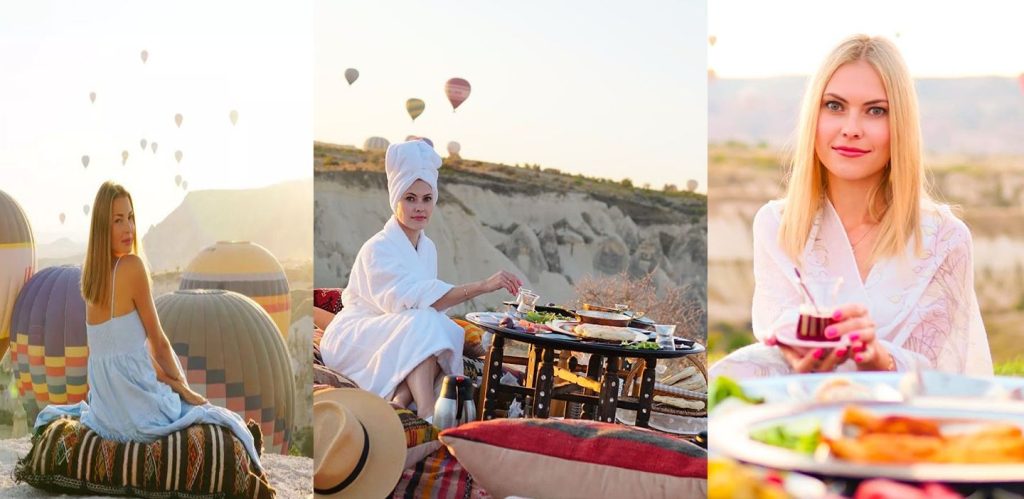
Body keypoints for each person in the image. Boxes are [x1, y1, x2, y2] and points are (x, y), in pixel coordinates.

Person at [711, 35, 991, 379]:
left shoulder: (945, 240)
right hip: (795, 419)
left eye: (876, 111)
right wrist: (795, 349)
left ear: (900, 124)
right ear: (814, 114)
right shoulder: (776, 225)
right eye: (834, 106)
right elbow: (777, 349)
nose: (851, 129)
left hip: (898, 424)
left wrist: (879, 358)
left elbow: (942, 371)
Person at [33, 181, 263, 469]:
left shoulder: (92, 281)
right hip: (138, 413)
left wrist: (173, 384)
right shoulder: (132, 267)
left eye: (130, 217)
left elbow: (130, 357)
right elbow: (158, 342)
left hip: (106, 416)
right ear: (103, 227)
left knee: (180, 395)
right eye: (118, 220)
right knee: (206, 413)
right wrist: (184, 389)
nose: (128, 228)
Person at [320, 139, 522, 420]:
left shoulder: (428, 249)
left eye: (427, 199)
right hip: (356, 336)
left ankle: (402, 401)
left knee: (441, 328)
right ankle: (428, 412)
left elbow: (425, 308)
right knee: (427, 323)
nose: (419, 208)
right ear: (395, 200)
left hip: (402, 333)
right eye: (410, 198)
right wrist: (483, 286)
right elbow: (411, 301)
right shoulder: (378, 248)